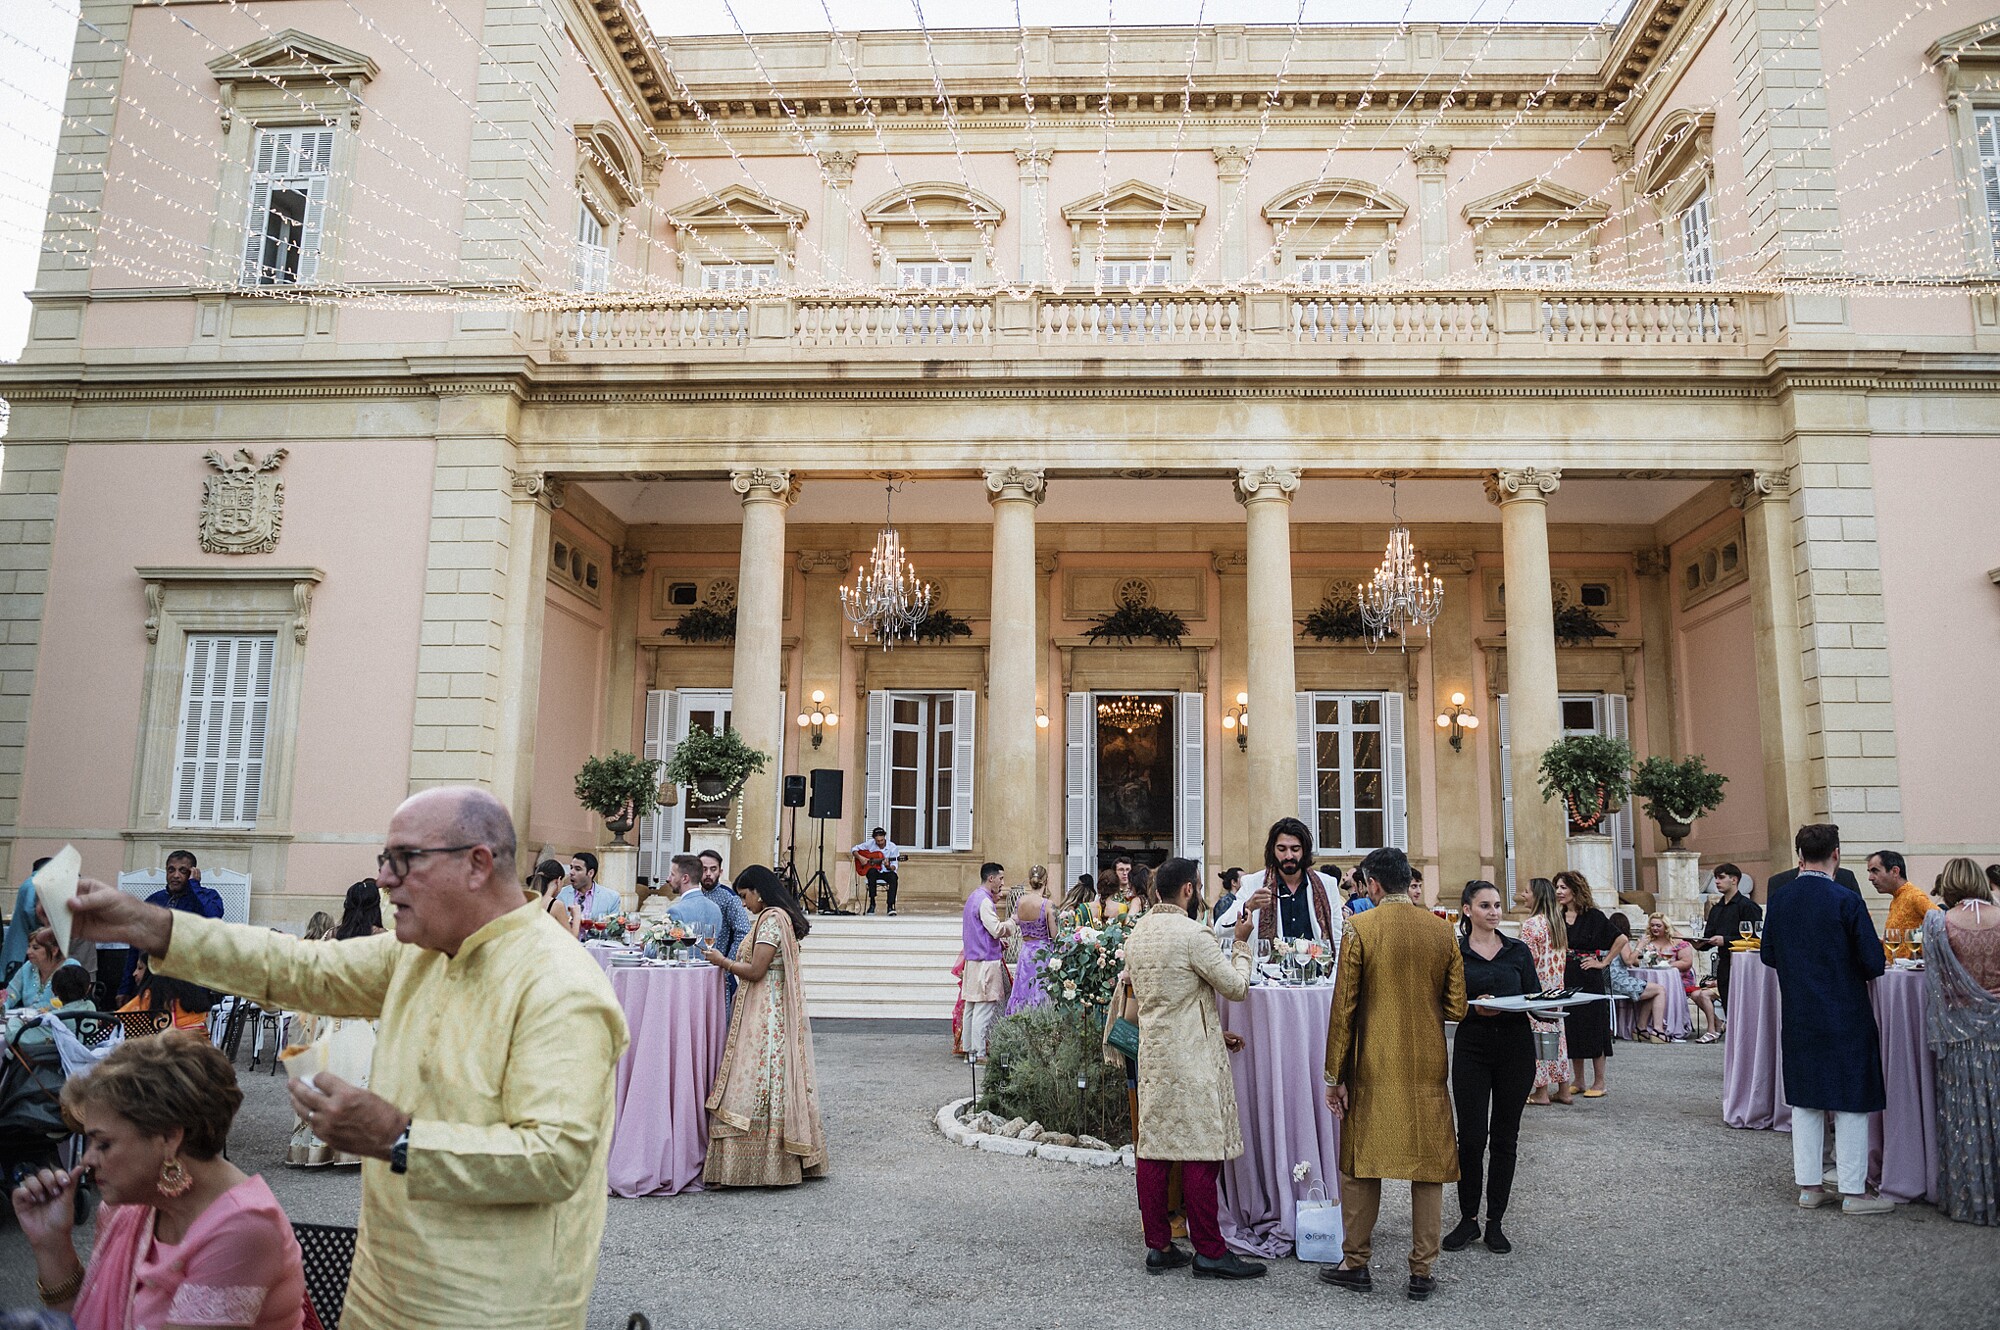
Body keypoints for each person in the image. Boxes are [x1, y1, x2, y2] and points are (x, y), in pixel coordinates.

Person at [66, 785, 630, 1330]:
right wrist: (147, 924)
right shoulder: (423, 953)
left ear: (477, 864)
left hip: (490, 1306)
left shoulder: (560, 986)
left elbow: (557, 1158)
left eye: (403, 861)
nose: (384, 879)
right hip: (378, 1292)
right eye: (385, 859)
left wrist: (398, 1138)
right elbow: (297, 967)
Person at [9, 1032, 307, 1330]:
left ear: (168, 1137)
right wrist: (51, 1243)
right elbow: (84, 1318)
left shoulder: (243, 1228)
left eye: (103, 1144)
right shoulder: (132, 1206)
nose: (87, 1160)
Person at [1320, 848, 1467, 1302]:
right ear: (1407, 882)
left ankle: (1355, 1261)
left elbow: (1344, 1009)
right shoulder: (1442, 932)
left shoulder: (1360, 928)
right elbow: (1456, 1007)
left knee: (1360, 1162)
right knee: (1429, 1166)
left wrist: (1333, 1075)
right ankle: (1422, 1270)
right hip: (1425, 1062)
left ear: (1374, 886)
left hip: (1373, 1063)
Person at [1122, 857, 1264, 1280]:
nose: (1199, 892)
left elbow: (1169, 998)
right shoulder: (1192, 934)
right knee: (1201, 1151)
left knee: (1154, 1150)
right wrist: (1241, 943)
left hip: (1154, 1052)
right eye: (1198, 886)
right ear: (1187, 889)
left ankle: (1159, 1245)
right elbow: (1236, 988)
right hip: (1191, 1058)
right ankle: (1209, 1250)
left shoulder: (1139, 933)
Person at [1762, 823, 1893, 1216]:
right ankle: (1854, 1191)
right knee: (1852, 1097)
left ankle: (1809, 1185)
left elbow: (1768, 954)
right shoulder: (1845, 899)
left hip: (1799, 1011)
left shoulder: (1781, 900)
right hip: (1844, 1009)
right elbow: (1873, 962)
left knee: (1805, 1098)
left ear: (1800, 856)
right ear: (1836, 854)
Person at [701, 864, 827, 1187]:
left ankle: (767, 1163)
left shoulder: (771, 920)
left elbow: (757, 970)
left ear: (758, 891)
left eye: (745, 896)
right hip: (767, 1008)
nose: (744, 904)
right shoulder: (777, 918)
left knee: (762, 1076)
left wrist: (722, 961)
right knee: (770, 1077)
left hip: (766, 1013)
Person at [1447, 880, 1538, 1255]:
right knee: (1470, 1137)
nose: (1494, 911)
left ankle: (1495, 1222)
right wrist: (1473, 1005)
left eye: (1497, 905)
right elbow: (1443, 1002)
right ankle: (1467, 1219)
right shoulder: (1456, 953)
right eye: (1485, 905)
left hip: (1515, 1047)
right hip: (1472, 1047)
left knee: (1505, 1137)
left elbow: (1534, 996)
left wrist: (1546, 1006)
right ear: (1467, 910)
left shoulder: (1518, 951)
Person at [1922, 857, 2000, 1224]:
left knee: (1966, 1116)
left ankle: (1971, 1198)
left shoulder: (1939, 922)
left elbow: (1934, 985)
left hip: (1960, 1032)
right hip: (1997, 1029)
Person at [286, 918, 378, 1168]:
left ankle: (316, 1147)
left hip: (333, 1014)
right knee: (361, 1076)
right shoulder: (381, 935)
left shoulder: (330, 935)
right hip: (365, 1016)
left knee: (328, 1072)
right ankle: (356, 1149)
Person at [115, 849, 224, 1000]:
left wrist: (194, 886)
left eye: (183, 871)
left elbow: (213, 917)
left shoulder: (207, 896)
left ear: (193, 872)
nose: (176, 875)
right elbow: (136, 947)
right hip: (151, 987)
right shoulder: (154, 900)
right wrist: (125, 988)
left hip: (188, 986)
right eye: (171, 870)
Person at [1214, 818, 1339, 943]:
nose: (1289, 856)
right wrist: (1248, 906)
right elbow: (1220, 930)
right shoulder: (1252, 883)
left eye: (1295, 849)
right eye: (1281, 849)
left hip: (1317, 961)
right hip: (1268, 962)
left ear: (1304, 851)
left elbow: (1338, 937)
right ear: (1272, 851)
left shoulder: (1327, 884)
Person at [1556, 872, 1614, 1096]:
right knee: (1573, 1026)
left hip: (1588, 976)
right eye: (1557, 887)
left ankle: (1599, 1082)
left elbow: (1620, 939)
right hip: (1566, 976)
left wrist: (1603, 963)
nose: (1559, 891)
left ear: (1575, 889)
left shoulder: (1594, 916)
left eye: (1563, 887)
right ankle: (1578, 1080)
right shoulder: (1558, 916)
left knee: (1595, 1027)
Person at [1520, 878, 1573, 1106]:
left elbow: (1526, 959)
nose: (1523, 895)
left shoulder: (1532, 924)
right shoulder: (1556, 923)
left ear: (1537, 896)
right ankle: (1564, 1089)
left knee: (1538, 1037)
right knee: (1558, 1037)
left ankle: (1541, 1091)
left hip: (1538, 988)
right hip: (1556, 987)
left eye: (1526, 892)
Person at [960, 863, 1016, 1061]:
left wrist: (998, 943)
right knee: (984, 1008)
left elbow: (979, 930)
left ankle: (969, 1050)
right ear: (991, 878)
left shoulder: (973, 897)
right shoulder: (984, 901)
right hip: (985, 961)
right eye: (1000, 878)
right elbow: (996, 929)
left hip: (973, 960)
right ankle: (979, 1053)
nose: (1002, 883)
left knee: (971, 1007)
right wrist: (1012, 922)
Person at [1692, 861, 1763, 1014]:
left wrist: (1725, 940)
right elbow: (1709, 938)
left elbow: (1756, 938)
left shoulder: (1748, 906)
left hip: (1745, 965)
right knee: (1728, 1006)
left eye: (1721, 878)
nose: (1717, 881)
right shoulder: (1716, 909)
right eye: (1716, 878)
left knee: (1746, 1007)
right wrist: (1697, 944)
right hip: (1724, 964)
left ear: (1734, 880)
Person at [690, 850, 754, 1005]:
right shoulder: (693, 895)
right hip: (694, 969)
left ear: (720, 871)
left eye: (713, 869)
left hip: (719, 971)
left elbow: (743, 930)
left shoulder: (729, 898)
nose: (708, 874)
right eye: (704, 869)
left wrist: (727, 963)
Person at [1643, 913, 1710, 1042]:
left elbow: (1687, 962)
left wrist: (1667, 964)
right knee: (1648, 987)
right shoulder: (1648, 940)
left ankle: (1670, 1024)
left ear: (1666, 926)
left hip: (1680, 979)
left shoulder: (1677, 939)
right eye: (1652, 926)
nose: (1655, 928)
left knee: (1661, 989)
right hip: (1655, 978)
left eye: (1658, 925)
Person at [1606, 912, 1667, 1043]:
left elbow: (1631, 960)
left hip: (1607, 983)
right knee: (1659, 990)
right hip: (1619, 981)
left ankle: (1641, 1028)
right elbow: (1628, 961)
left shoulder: (1607, 939)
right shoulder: (1621, 939)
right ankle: (1658, 1029)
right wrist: (1640, 946)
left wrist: (1639, 955)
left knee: (1651, 991)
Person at [1005, 865, 1058, 1015]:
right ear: (1046, 880)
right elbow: (1054, 934)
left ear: (1030, 881)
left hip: (1026, 950)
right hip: (1042, 952)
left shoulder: (1020, 901)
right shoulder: (1048, 904)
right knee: (1040, 990)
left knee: (1023, 990)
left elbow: (1016, 920)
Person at [117, 955, 214, 1033]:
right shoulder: (193, 993)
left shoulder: (149, 996)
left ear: (152, 971)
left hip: (176, 1052)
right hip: (203, 1049)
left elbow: (115, 1021)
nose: (134, 973)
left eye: (140, 968)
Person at [5, 930, 82, 1011]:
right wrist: (2, 1005)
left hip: (63, 1021)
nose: (28, 952)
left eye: (35, 948)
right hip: (29, 1021)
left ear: (54, 951)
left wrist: (30, 1010)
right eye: (29, 946)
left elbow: (66, 1002)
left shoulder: (70, 968)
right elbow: (11, 993)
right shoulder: (28, 967)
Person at [1869, 849, 1939, 937]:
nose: (1870, 878)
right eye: (1870, 872)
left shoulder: (1914, 896)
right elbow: (1897, 944)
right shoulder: (1897, 898)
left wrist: (1923, 948)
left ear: (1895, 871)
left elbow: (1943, 924)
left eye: (1875, 871)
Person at [662, 854, 723, 943]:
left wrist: (646, 945)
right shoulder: (715, 909)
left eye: (672, 874)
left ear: (685, 878)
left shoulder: (675, 911)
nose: (668, 879)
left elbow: (666, 947)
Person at [556, 853, 621, 921]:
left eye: (577, 869)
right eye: (571, 868)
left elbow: (614, 929)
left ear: (590, 873)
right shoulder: (560, 894)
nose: (571, 872)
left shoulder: (612, 897)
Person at [852, 827, 902, 916]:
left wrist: (888, 866)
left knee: (893, 877)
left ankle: (890, 906)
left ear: (884, 837)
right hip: (875, 872)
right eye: (877, 841)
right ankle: (872, 903)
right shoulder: (870, 844)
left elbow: (895, 866)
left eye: (881, 840)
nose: (880, 843)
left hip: (886, 872)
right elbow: (854, 849)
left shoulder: (892, 847)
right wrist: (860, 858)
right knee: (871, 872)